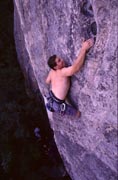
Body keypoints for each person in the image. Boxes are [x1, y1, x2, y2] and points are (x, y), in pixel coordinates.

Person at [45, 39, 93, 117]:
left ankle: (50, 105)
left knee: (54, 104)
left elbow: (47, 81)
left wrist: (56, 83)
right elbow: (76, 67)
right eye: (59, 61)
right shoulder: (62, 72)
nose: (62, 60)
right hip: (58, 104)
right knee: (78, 114)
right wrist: (83, 49)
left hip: (50, 97)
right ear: (56, 67)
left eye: (60, 59)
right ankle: (53, 108)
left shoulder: (52, 71)